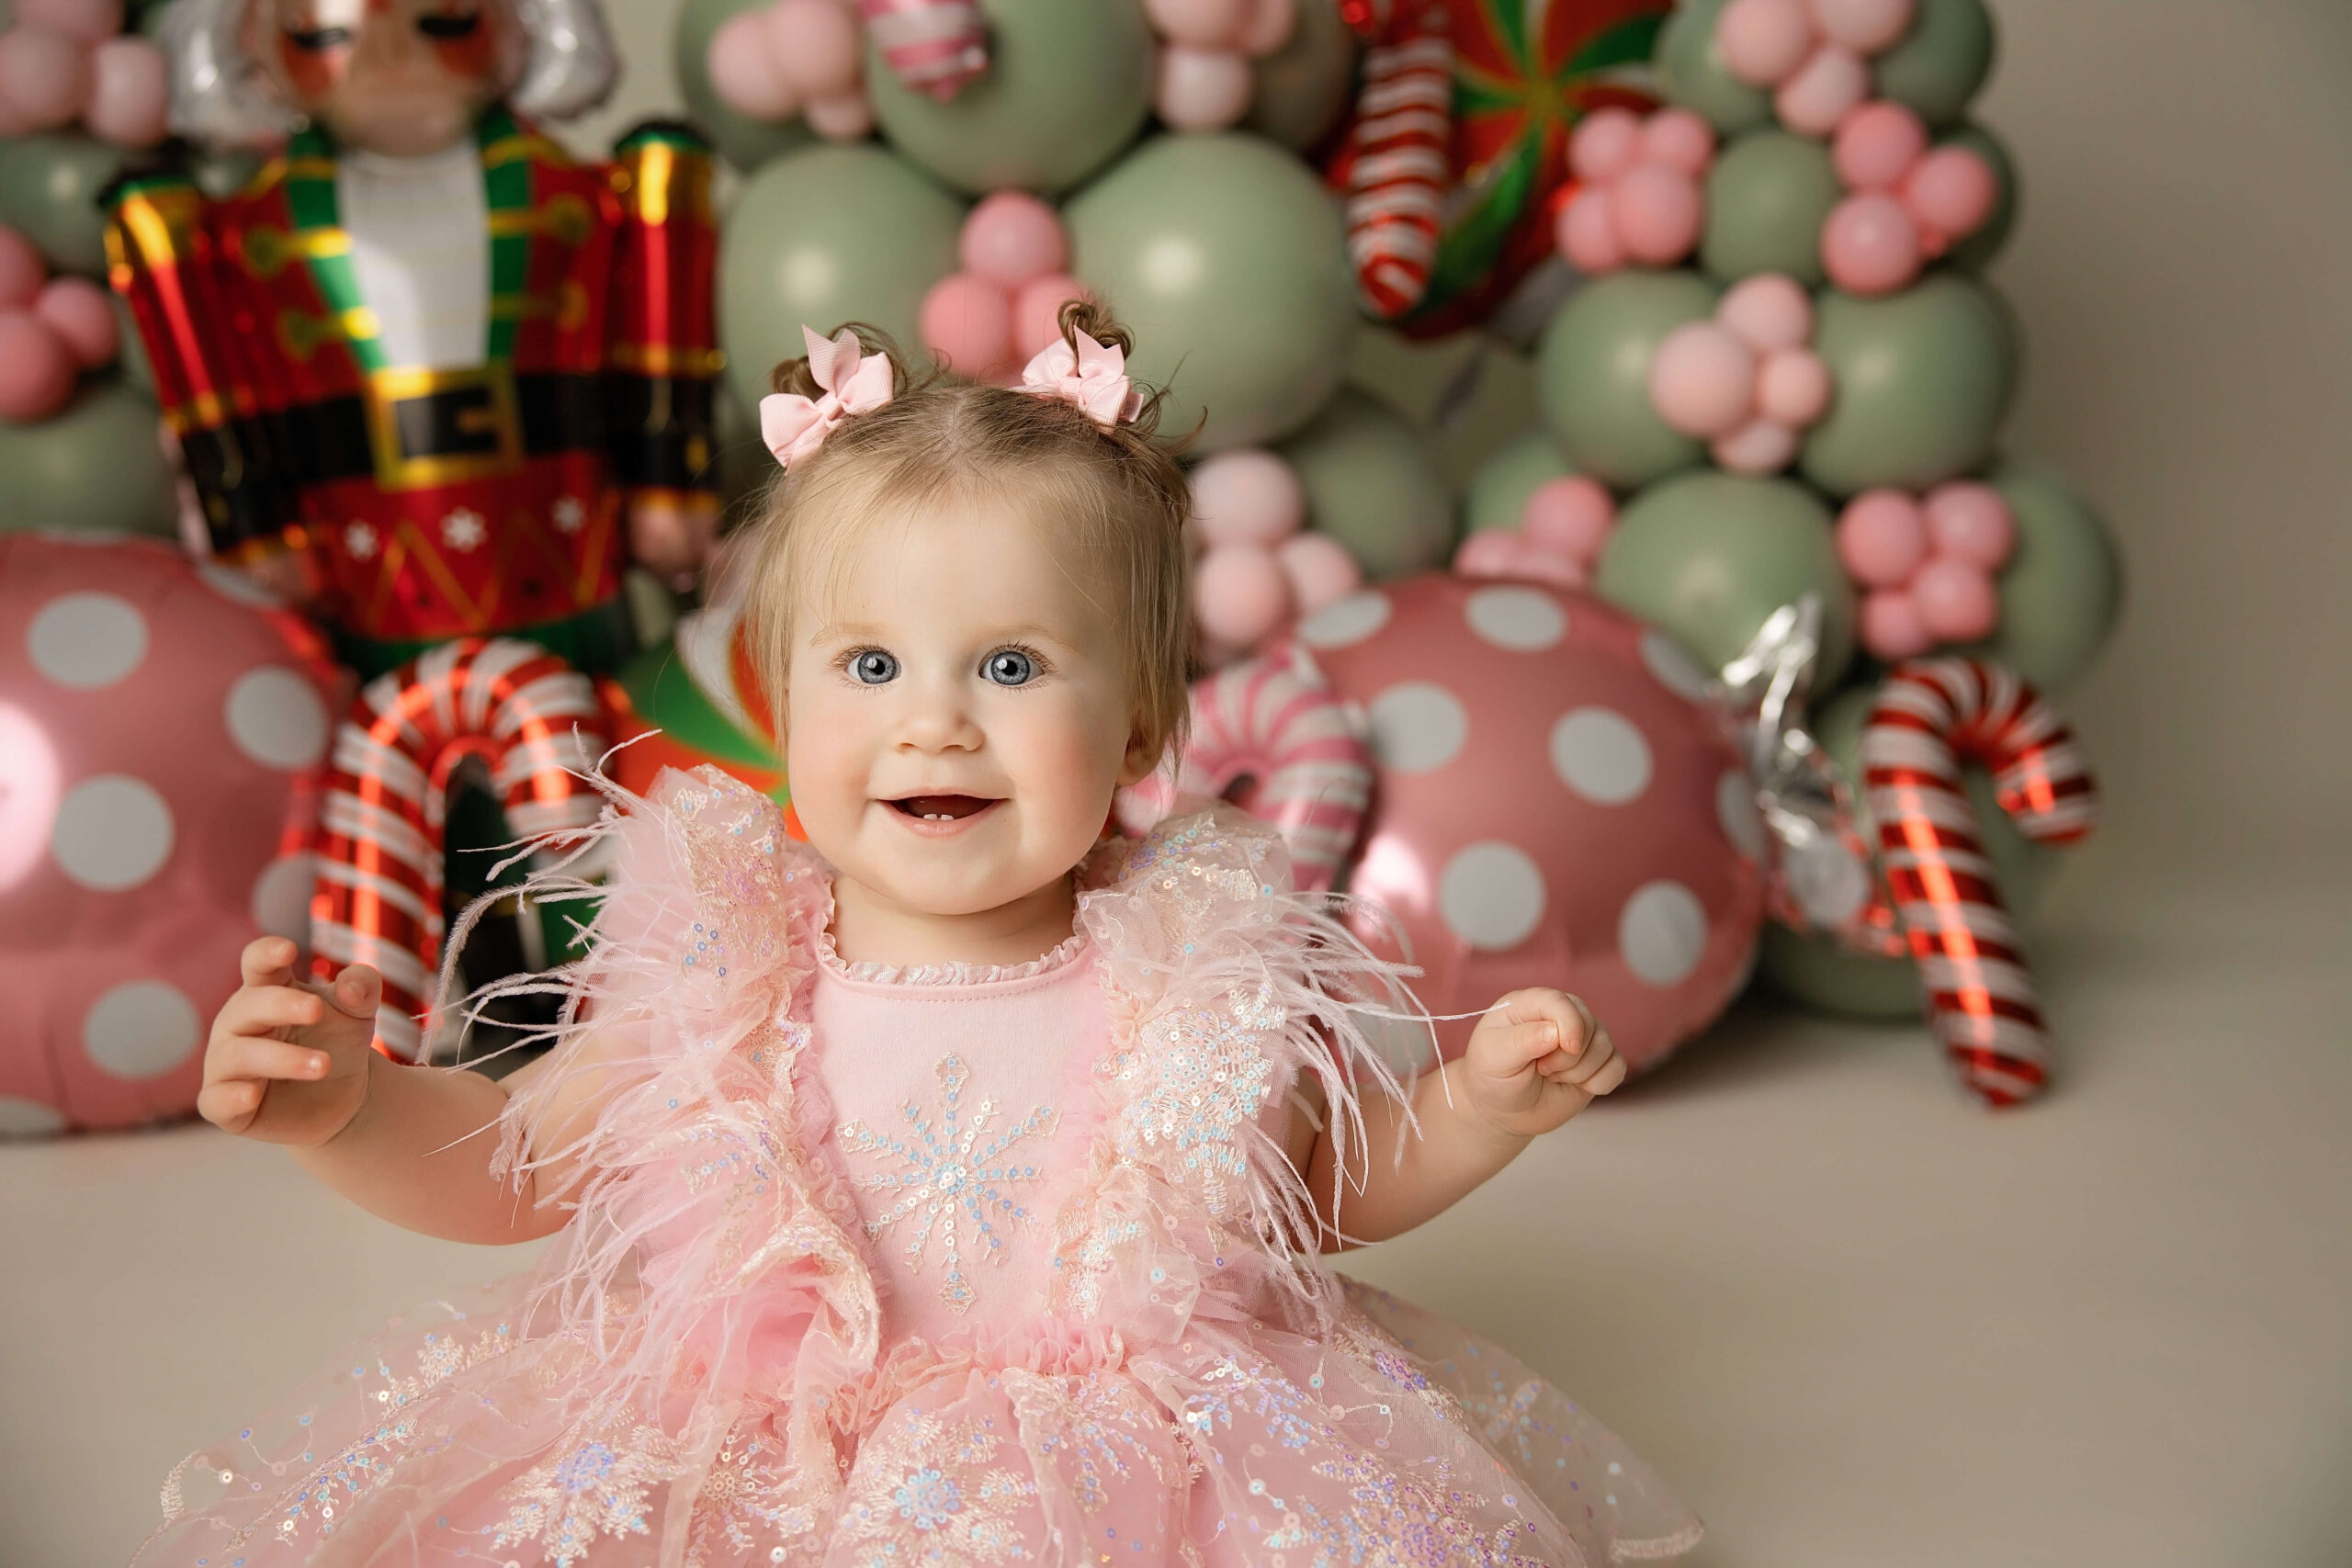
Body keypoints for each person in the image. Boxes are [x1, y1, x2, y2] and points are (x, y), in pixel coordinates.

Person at [155, 306, 1702, 1566]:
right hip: (763, 1467)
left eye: (1016, 665)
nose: (937, 722)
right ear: (781, 710)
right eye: (872, 664)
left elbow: (1312, 1191)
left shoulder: (1180, 981)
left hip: (1131, 1473)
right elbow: (516, 1168)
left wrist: (1477, 1108)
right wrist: (352, 1111)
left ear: (1145, 723)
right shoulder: (721, 980)